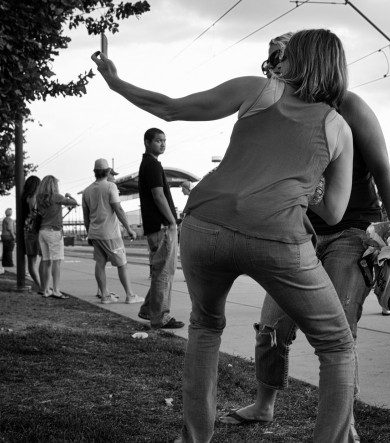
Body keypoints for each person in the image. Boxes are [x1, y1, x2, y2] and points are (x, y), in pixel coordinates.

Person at [92, 28, 355, 443]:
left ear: (296, 60)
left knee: (205, 326)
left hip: (204, 226)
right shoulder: (338, 127)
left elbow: (169, 108)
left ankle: (193, 439)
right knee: (337, 344)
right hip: (276, 236)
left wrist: (115, 81)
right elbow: (334, 211)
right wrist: (307, 180)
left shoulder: (256, 91)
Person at [217, 33, 390, 439]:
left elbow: (384, 173)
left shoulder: (350, 108)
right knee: (270, 326)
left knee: (339, 329)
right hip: (301, 232)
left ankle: (344, 419)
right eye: (268, 62)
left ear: (302, 62)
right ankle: (264, 406)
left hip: (353, 231)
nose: (271, 68)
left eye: (279, 59)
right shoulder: (275, 109)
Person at [131, 128, 185, 330]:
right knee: (164, 272)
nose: (162, 144)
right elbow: (158, 195)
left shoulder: (149, 163)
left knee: (160, 271)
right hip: (162, 226)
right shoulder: (152, 165)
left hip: (157, 226)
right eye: (158, 141)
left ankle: (148, 309)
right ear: (147, 142)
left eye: (164, 140)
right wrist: (171, 221)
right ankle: (160, 317)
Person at [82, 158, 144, 305]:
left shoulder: (87, 191)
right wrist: (129, 229)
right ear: (108, 171)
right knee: (122, 264)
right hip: (110, 234)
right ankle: (130, 295)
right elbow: (118, 209)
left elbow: (86, 217)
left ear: (94, 172)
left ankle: (104, 296)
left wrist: (89, 233)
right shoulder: (111, 187)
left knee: (100, 263)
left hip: (95, 233)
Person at [35, 175, 78, 298]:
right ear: (54, 185)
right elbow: (74, 203)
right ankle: (56, 290)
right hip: (54, 231)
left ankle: (45, 290)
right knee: (56, 262)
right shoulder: (57, 197)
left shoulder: (39, 198)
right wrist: (69, 196)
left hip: (42, 231)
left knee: (46, 260)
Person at [21, 175, 42, 290]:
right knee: (33, 261)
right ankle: (42, 286)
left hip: (27, 230)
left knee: (32, 260)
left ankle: (42, 285)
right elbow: (34, 214)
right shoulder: (33, 197)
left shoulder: (25, 197)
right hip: (33, 231)